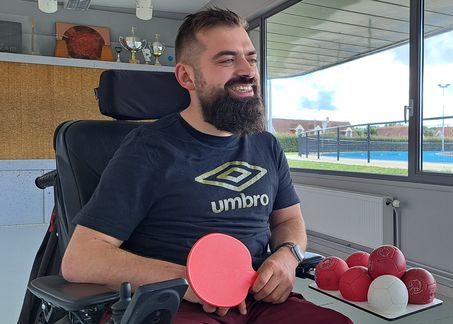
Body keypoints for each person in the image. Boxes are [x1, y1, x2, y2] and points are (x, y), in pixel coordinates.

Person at [60, 8, 352, 324]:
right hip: (175, 303)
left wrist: (287, 257)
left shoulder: (266, 144)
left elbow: (289, 220)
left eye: (250, 59)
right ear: (187, 76)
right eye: (227, 60)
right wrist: (190, 279)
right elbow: (80, 259)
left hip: (258, 301)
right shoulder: (148, 149)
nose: (248, 71)